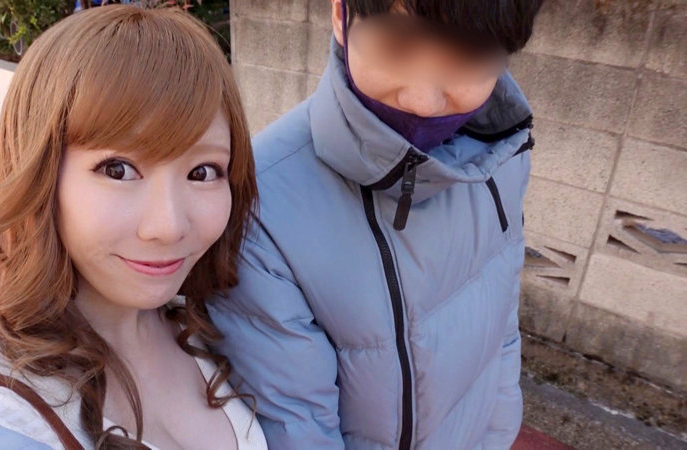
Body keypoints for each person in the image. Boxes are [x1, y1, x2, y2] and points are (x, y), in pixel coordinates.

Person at [0, 5, 266, 449]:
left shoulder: (212, 321)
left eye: (202, 172)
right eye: (118, 170)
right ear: (40, 177)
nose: (169, 227)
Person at [206, 0, 543, 448]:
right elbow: (298, 429)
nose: (422, 100)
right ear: (340, 15)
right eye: (396, 45)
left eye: (467, 56)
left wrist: (499, 435)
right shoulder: (258, 206)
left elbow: (502, 332)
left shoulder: (501, 151)